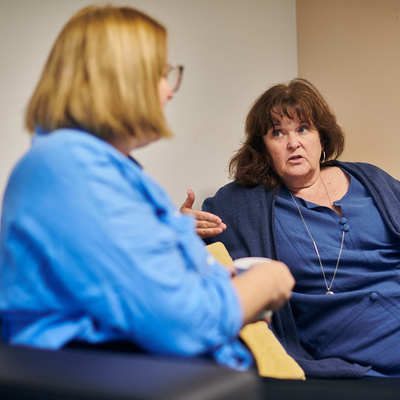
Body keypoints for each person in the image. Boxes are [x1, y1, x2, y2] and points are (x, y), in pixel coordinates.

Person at [0, 5, 294, 371]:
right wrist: (264, 284)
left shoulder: (94, 169)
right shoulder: (68, 168)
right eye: (161, 74)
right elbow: (180, 321)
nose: (169, 91)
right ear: (118, 80)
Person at [182, 78, 400, 378]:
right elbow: (200, 264)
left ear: (321, 136)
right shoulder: (241, 207)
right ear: (263, 148)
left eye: (303, 129)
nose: (293, 142)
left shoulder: (371, 181)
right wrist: (179, 231)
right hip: (359, 363)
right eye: (277, 133)